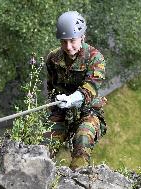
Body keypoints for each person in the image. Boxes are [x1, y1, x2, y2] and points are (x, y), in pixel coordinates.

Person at [45, 11, 107, 170]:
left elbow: (91, 87)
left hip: (88, 111)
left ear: (82, 37)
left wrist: (72, 99)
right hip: (61, 112)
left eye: (72, 41)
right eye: (63, 42)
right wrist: (55, 104)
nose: (68, 47)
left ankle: (77, 178)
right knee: (44, 148)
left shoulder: (95, 58)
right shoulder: (53, 58)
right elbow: (51, 86)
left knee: (83, 141)